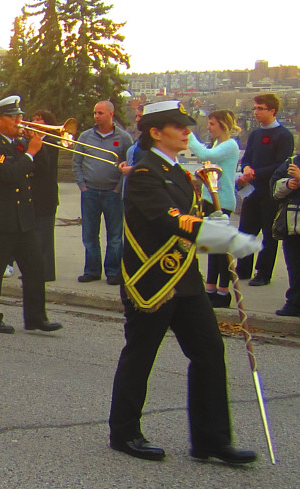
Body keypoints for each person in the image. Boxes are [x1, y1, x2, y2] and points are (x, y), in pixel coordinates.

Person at [108, 99, 260, 465]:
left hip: (186, 281)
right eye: (179, 127)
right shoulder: (145, 174)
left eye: (187, 125)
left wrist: (215, 218)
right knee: (140, 356)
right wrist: (218, 236)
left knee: (209, 352)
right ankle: (124, 433)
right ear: (157, 133)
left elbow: (190, 212)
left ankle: (211, 440)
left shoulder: (180, 172)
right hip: (152, 282)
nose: (187, 131)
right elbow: (167, 218)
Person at [0, 97, 61, 334]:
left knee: (35, 268)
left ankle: (36, 317)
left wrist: (38, 146)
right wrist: (30, 152)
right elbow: (10, 174)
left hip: (23, 218)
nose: (19, 121)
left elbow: (42, 170)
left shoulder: (19, 144)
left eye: (19, 116)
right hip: (0, 220)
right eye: (13, 117)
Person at [235, 93, 294, 286]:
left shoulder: (283, 135)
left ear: (272, 110)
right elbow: (247, 157)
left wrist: (255, 173)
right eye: (255, 108)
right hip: (252, 190)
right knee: (246, 230)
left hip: (270, 192)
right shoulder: (255, 134)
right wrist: (246, 169)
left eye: (260, 108)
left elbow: (281, 165)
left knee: (269, 234)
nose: (256, 112)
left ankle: (263, 272)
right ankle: (242, 269)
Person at [73, 100, 132, 285]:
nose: (96, 116)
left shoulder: (123, 138)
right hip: (90, 192)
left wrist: (118, 188)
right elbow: (77, 162)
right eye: (95, 113)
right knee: (89, 234)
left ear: (110, 114)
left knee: (115, 236)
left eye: (100, 113)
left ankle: (113, 272)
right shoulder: (85, 136)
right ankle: (92, 270)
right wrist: (82, 185)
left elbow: (128, 164)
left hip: (112, 193)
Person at [186, 109, 241, 307]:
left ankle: (223, 292)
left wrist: (188, 133)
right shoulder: (218, 143)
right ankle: (210, 287)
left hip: (222, 200)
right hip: (210, 197)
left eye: (212, 124)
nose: (209, 128)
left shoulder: (230, 146)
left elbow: (204, 154)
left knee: (220, 249)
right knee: (212, 246)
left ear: (223, 126)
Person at [272, 128, 300, 320]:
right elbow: (274, 187)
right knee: (294, 266)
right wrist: (288, 185)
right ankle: (296, 302)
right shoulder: (294, 161)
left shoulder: (298, 169)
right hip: (290, 223)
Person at [28, 110, 61, 282]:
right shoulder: (33, 141)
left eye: (39, 120)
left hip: (46, 194)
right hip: (32, 192)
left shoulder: (51, 142)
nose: (36, 123)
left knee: (45, 236)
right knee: (33, 235)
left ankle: (46, 272)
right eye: (34, 119)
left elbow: (45, 166)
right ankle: (34, 269)